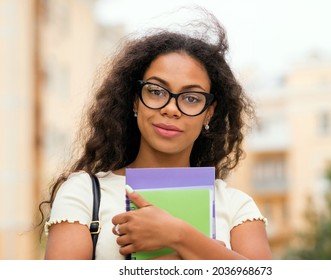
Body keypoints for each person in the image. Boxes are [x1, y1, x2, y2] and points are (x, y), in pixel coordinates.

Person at [38, 9, 272, 260]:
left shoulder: (236, 205)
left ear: (209, 113)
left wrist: (178, 235)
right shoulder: (84, 193)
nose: (171, 108)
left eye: (191, 98)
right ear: (135, 100)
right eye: (157, 91)